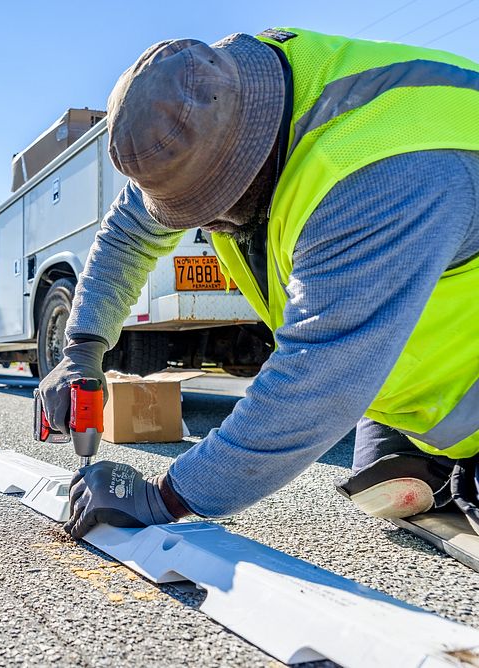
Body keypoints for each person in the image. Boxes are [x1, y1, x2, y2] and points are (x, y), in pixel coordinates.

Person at [39, 28, 479, 539]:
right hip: (416, 375)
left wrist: (164, 498)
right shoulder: (218, 97)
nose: (207, 225)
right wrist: (83, 348)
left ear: (250, 148)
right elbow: (129, 231)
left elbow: (318, 379)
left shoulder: (379, 172)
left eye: (208, 207)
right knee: (382, 474)